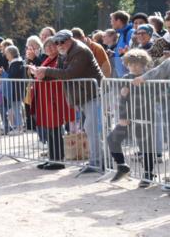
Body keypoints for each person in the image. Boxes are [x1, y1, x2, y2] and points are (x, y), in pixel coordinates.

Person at [28, 29, 105, 173]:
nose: (59, 45)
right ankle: (99, 161)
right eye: (56, 42)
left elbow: (70, 73)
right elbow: (58, 72)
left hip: (93, 93)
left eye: (62, 42)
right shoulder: (65, 52)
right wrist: (40, 73)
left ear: (70, 39)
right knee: (90, 128)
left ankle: (98, 162)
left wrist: (46, 71)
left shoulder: (80, 51)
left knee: (92, 128)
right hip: (83, 95)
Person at [108, 49, 157, 187]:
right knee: (112, 139)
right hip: (128, 118)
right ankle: (122, 166)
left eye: (137, 64)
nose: (134, 67)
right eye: (130, 64)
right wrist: (122, 116)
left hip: (145, 116)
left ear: (143, 64)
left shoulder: (149, 77)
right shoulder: (125, 78)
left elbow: (154, 95)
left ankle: (148, 174)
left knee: (145, 146)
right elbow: (121, 100)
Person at [28, 37, 75, 170]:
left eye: (51, 45)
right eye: (46, 46)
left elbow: (55, 74)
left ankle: (58, 160)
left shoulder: (60, 59)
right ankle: (52, 158)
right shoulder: (48, 59)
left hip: (54, 97)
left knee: (55, 129)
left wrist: (39, 72)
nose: (49, 48)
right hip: (46, 97)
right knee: (49, 129)